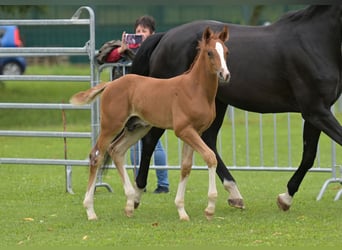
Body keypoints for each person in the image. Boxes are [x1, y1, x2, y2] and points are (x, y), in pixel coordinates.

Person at [105, 15, 169, 194]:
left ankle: (163, 183)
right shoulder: (126, 50)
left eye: (144, 31)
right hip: (130, 105)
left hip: (150, 103)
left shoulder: (157, 52)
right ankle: (139, 182)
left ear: (153, 34)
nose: (140, 34)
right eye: (138, 31)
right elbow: (104, 58)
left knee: (155, 144)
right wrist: (122, 50)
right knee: (133, 142)